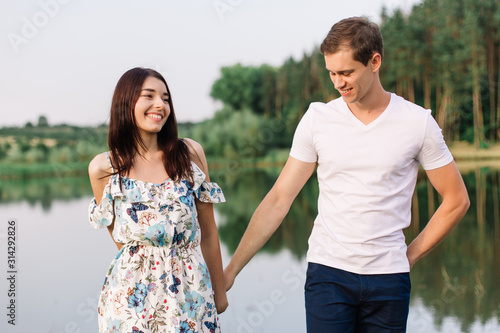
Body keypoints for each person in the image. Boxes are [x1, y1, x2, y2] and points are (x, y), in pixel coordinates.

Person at [224, 17, 470, 332]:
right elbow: (279, 199)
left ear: (375, 61)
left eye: (346, 72)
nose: (338, 82)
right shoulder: (317, 119)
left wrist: (408, 257)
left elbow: (456, 200)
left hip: (389, 281)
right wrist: (232, 270)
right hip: (329, 276)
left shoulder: (417, 123)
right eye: (331, 73)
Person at [88, 67, 228, 332]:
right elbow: (122, 241)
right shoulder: (104, 169)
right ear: (126, 102)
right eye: (149, 96)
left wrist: (218, 293)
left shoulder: (189, 155)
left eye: (165, 98)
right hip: (130, 301)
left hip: (191, 295)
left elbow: (208, 232)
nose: (160, 105)